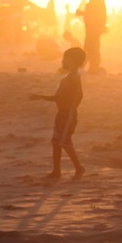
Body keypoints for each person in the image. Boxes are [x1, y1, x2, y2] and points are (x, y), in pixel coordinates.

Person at [32, 45, 86, 178]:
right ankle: (57, 171)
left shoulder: (73, 78)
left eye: (65, 58)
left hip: (68, 114)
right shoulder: (69, 77)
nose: (62, 61)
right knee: (56, 141)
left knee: (64, 142)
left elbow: (73, 96)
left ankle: (79, 167)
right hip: (62, 113)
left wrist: (40, 97)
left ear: (72, 60)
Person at [78, 0, 107, 72]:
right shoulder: (96, 0)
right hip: (93, 28)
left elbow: (93, 15)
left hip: (93, 28)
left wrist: (82, 13)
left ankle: (91, 67)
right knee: (92, 47)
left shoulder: (95, 1)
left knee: (91, 47)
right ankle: (92, 66)